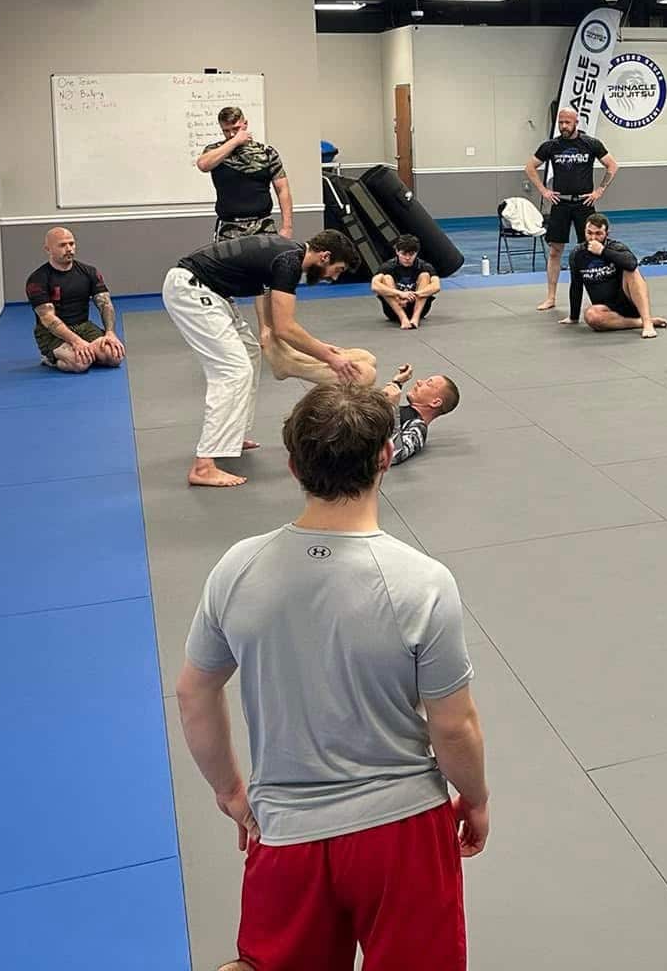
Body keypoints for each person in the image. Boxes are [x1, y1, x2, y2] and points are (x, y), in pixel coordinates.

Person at [176, 382, 487, 971]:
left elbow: (194, 693)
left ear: (293, 464)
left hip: (285, 831)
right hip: (402, 830)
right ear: (386, 456)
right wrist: (475, 797)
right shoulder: (422, 582)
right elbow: (454, 727)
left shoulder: (236, 568)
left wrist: (231, 794)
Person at [162, 230, 362, 488]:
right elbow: (286, 327)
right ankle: (203, 465)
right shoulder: (290, 261)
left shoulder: (286, 253)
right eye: (338, 269)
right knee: (234, 371)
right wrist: (330, 358)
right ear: (324, 256)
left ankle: (230, 437)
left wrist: (321, 347)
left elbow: (272, 309)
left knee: (249, 352)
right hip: (192, 289)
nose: (334, 277)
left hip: (210, 291)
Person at [526, 107, 617, 312]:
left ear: (577, 122)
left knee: (591, 249)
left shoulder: (590, 144)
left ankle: (599, 296)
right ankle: (551, 297)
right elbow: (530, 167)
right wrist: (543, 190)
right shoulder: (551, 146)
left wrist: (599, 190)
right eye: (561, 123)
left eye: (567, 122)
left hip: (584, 204)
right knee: (555, 250)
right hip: (560, 204)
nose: (564, 126)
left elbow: (612, 166)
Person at [24, 227, 125, 372]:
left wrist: (110, 333)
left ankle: (90, 352)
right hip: (50, 333)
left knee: (114, 356)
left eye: (71, 244)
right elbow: (48, 318)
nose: (69, 249)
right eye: (62, 245)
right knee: (80, 363)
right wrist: (76, 341)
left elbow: (105, 304)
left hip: (83, 326)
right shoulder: (38, 279)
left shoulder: (89, 272)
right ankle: (50, 359)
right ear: (48, 249)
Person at [561, 213, 665, 338]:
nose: (593, 237)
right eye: (589, 233)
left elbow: (632, 263)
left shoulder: (616, 247)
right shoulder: (577, 254)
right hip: (607, 311)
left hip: (629, 303)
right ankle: (639, 323)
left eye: (598, 233)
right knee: (591, 315)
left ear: (607, 233)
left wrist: (602, 251)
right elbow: (576, 285)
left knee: (631, 271)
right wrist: (573, 317)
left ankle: (648, 323)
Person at [198, 106, 294, 240]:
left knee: (267, 261)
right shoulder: (215, 151)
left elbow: (282, 189)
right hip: (229, 227)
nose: (231, 134)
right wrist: (235, 141)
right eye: (226, 131)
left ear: (245, 124)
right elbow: (203, 165)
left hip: (263, 225)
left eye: (236, 129)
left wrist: (287, 227)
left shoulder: (266, 152)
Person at [374, 364, 462, 466]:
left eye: (428, 384)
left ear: (435, 402)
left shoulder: (418, 428)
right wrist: (397, 383)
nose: (419, 382)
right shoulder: (402, 412)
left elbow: (395, 454)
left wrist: (392, 407)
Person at [372, 234, 442, 330]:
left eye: (411, 254)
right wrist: (400, 294)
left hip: (419, 308)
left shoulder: (424, 266)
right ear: (397, 252)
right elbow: (374, 285)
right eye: (404, 254)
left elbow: (436, 286)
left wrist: (414, 295)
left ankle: (415, 318)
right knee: (386, 278)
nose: (407, 258)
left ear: (416, 253)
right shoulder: (388, 266)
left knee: (425, 276)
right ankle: (403, 318)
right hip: (394, 309)